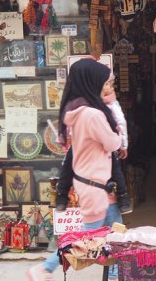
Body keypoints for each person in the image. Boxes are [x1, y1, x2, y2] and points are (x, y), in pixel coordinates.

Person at [27, 59, 123, 281]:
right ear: (92, 83)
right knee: (85, 239)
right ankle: (45, 269)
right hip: (95, 186)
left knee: (115, 232)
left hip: (98, 184)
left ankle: (114, 278)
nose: (108, 87)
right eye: (104, 82)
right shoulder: (92, 115)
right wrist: (117, 130)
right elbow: (113, 143)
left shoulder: (81, 111)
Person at [54, 74, 132, 214]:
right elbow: (67, 120)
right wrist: (64, 136)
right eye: (107, 84)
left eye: (111, 84)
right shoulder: (83, 102)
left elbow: (120, 122)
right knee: (68, 165)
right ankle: (61, 195)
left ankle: (122, 195)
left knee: (115, 168)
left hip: (105, 141)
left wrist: (123, 144)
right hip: (83, 142)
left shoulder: (109, 102)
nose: (110, 88)